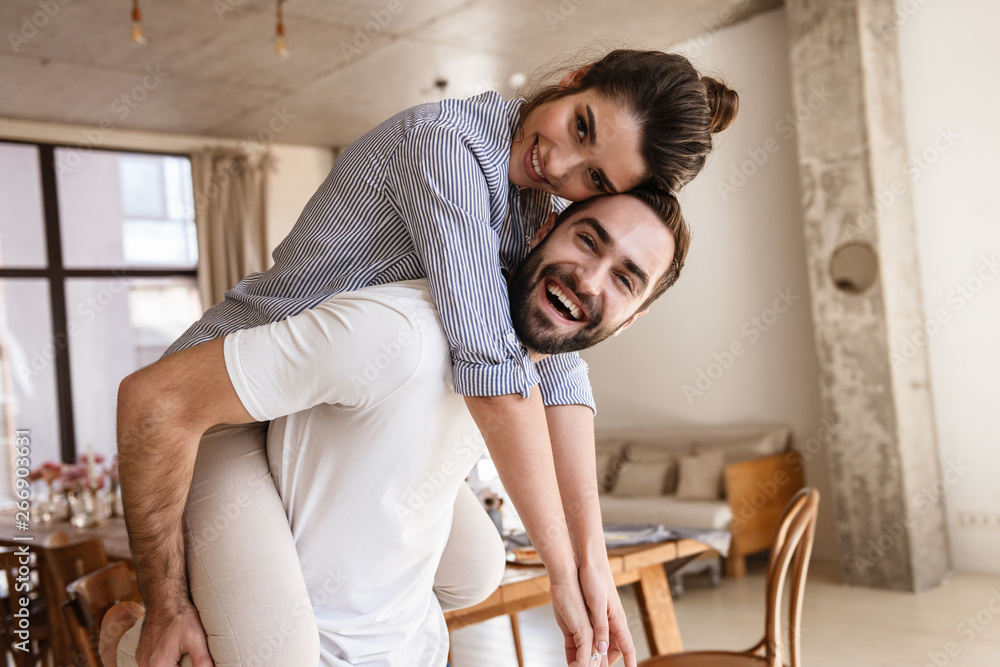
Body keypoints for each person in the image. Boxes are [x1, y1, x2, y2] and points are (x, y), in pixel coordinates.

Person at [118, 48, 737, 667]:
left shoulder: (532, 202)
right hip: (223, 403)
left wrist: (593, 562)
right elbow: (491, 371)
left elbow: (560, 373)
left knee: (475, 569)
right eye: (581, 127)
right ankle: (128, 634)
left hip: (318, 406)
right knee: (271, 654)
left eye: (596, 180)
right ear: (576, 79)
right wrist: (563, 575)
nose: (562, 166)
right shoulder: (445, 147)